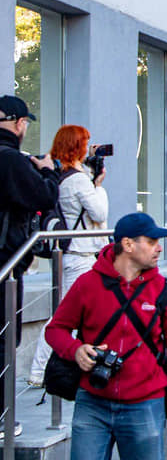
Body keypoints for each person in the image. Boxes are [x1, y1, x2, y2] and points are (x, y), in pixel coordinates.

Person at [45, 213, 167, 459]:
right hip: (92, 402)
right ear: (127, 244)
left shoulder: (164, 292)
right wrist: (76, 350)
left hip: (145, 404)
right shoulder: (87, 284)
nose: (159, 249)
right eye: (152, 241)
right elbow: (55, 330)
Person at [28, 125, 110, 387]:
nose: (89, 149)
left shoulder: (62, 175)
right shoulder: (77, 180)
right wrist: (98, 185)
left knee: (70, 313)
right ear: (78, 148)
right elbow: (98, 213)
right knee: (63, 316)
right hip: (80, 254)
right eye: (86, 144)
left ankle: (59, 366)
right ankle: (40, 370)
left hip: (73, 253)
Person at [0, 95, 59, 437]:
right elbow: (44, 198)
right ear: (20, 124)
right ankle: (4, 418)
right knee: (4, 341)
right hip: (6, 267)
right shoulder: (12, 161)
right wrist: (49, 172)